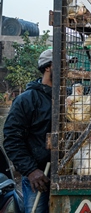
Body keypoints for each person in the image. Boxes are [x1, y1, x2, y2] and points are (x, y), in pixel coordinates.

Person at [3, 49, 53, 213]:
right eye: (63, 64)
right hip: (39, 178)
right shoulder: (27, 99)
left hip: (66, 173)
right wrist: (31, 170)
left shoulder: (69, 96)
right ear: (48, 67)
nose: (67, 69)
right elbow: (11, 139)